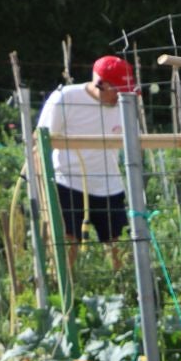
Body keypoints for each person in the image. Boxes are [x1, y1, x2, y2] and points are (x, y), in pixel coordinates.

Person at [37, 55, 137, 276]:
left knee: (116, 245)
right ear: (101, 84)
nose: (123, 96)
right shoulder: (64, 99)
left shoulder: (125, 104)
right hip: (68, 181)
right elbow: (42, 141)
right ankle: (63, 291)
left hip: (109, 184)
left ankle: (123, 289)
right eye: (118, 90)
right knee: (68, 242)